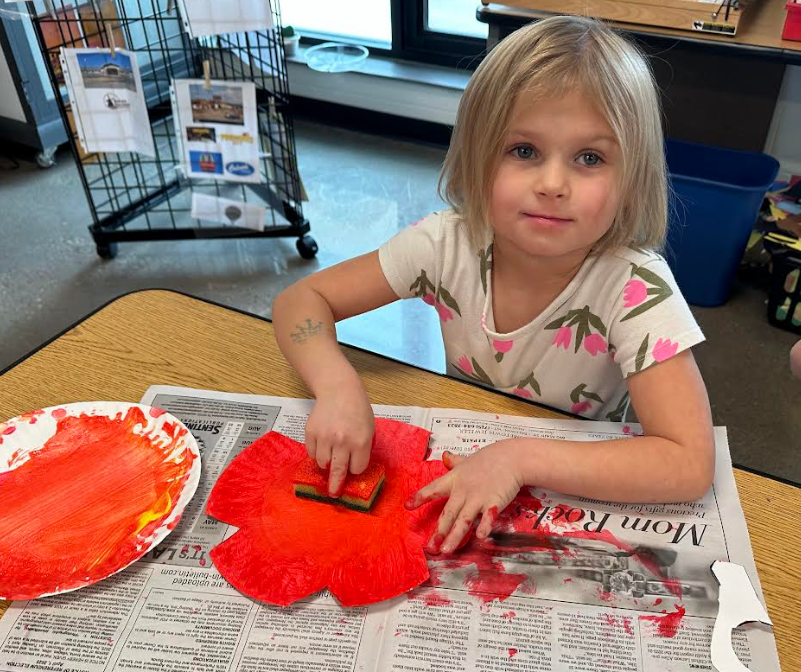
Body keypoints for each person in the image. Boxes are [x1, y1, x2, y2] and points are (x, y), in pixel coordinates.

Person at [272, 16, 715, 554]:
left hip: (570, 481)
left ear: (632, 179)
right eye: (523, 151)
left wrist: (517, 457)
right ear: (478, 156)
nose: (552, 185)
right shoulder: (443, 244)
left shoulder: (636, 287)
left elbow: (689, 463)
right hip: (459, 452)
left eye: (590, 158)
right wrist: (338, 387)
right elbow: (301, 300)